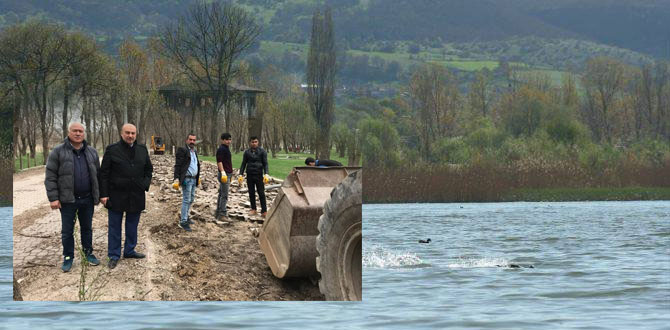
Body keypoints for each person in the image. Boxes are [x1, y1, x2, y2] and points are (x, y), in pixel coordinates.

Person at [45, 122, 101, 272]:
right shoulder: (58, 151)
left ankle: (88, 254)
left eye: (80, 131)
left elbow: (98, 175)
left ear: (84, 134)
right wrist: (53, 198)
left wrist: (99, 195)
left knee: (87, 229)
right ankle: (68, 257)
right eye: (75, 131)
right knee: (67, 231)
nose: (78, 134)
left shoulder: (91, 152)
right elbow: (50, 176)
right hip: (68, 200)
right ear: (69, 132)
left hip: (87, 199)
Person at [99, 123, 153, 269]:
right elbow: (104, 174)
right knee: (114, 226)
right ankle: (114, 255)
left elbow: (149, 170)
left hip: (136, 194)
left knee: (132, 225)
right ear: (122, 133)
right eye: (127, 133)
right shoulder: (112, 150)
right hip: (116, 195)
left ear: (136, 135)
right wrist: (103, 194)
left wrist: (144, 185)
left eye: (133, 133)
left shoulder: (142, 150)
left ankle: (129, 250)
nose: (130, 136)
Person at [173, 133, 201, 231]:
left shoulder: (194, 151)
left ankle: (186, 216)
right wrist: (176, 178)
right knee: (186, 199)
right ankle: (183, 221)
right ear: (186, 140)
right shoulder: (182, 150)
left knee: (191, 199)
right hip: (186, 179)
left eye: (194, 140)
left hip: (193, 179)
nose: (192, 141)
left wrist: (198, 177)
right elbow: (178, 165)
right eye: (190, 139)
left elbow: (196, 164)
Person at [239, 136, 269, 217]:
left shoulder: (262, 151)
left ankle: (264, 210)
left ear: (258, 142)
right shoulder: (246, 152)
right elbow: (243, 163)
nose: (254, 143)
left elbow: (265, 163)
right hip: (250, 174)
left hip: (259, 174)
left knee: (261, 193)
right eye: (252, 142)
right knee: (251, 192)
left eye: (256, 142)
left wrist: (266, 173)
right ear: (250, 143)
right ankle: (253, 209)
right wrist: (240, 174)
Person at [215, 133, 233, 221]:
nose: (228, 141)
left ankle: (218, 212)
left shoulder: (226, 149)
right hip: (224, 174)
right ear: (222, 140)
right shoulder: (221, 149)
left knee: (221, 193)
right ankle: (222, 214)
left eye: (229, 139)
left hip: (227, 173)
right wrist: (223, 172)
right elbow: (219, 161)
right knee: (224, 195)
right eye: (226, 139)